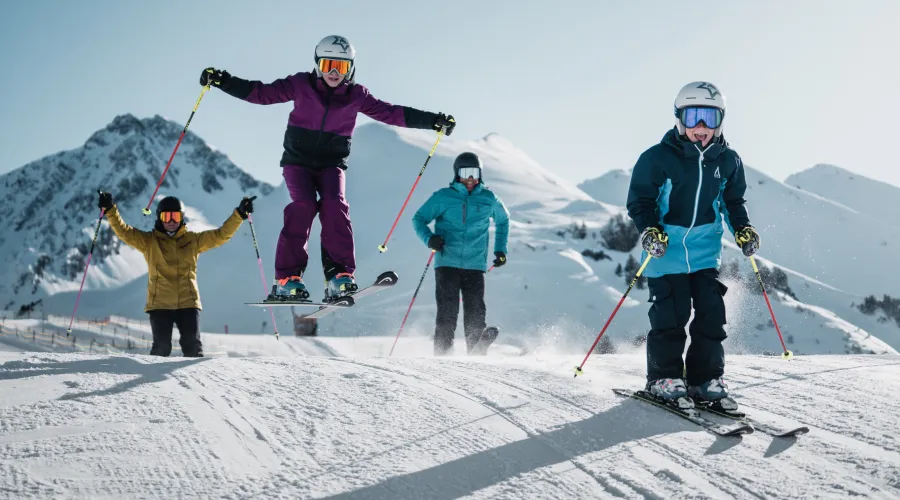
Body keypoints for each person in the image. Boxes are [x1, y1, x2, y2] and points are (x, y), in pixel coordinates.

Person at [200, 35, 456, 302]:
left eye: (342, 67)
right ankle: (287, 279)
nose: (334, 72)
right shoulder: (300, 84)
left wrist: (433, 121)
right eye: (328, 65)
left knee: (336, 204)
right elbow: (262, 93)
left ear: (351, 68)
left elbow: (392, 113)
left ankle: (339, 276)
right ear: (317, 64)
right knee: (304, 205)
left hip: (331, 165)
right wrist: (223, 80)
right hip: (297, 163)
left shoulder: (357, 95)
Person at [625, 81, 760, 409]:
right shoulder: (658, 158)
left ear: (721, 121)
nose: (701, 127)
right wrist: (650, 231)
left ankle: (704, 378)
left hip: (704, 254)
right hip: (665, 253)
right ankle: (663, 377)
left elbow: (732, 202)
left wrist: (742, 229)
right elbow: (640, 202)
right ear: (679, 118)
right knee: (671, 315)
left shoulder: (728, 161)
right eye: (694, 117)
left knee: (712, 314)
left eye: (710, 118)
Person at [97, 191, 255, 357]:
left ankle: (194, 381)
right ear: (159, 218)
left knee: (192, 346)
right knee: (162, 347)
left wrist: (239, 214)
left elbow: (220, 235)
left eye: (176, 217)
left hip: (188, 302)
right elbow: (125, 232)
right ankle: (153, 381)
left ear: (182, 218)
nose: (172, 221)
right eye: (167, 217)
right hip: (160, 304)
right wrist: (110, 210)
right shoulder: (149, 241)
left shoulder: (193, 240)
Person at [412, 152, 510, 355]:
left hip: (475, 265)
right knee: (447, 312)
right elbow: (418, 219)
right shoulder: (443, 197)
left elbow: (503, 220)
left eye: (475, 173)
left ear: (480, 174)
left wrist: (500, 249)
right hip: (447, 262)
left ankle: (475, 350)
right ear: (457, 174)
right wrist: (430, 238)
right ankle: (442, 353)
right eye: (466, 173)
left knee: (476, 310)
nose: (471, 178)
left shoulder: (488, 198)